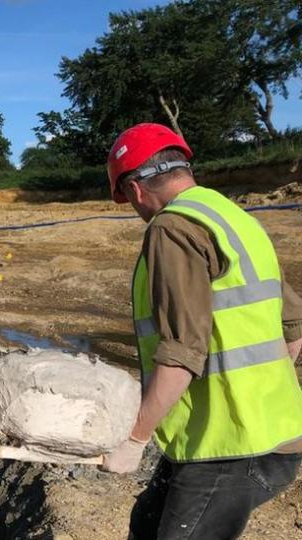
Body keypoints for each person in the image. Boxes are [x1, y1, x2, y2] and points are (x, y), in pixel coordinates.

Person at [100, 122, 302, 539]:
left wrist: (136, 438)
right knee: (147, 524)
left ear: (135, 190)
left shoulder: (171, 228)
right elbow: (295, 328)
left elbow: (182, 352)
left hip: (228, 445)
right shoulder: (232, 217)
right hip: (274, 432)